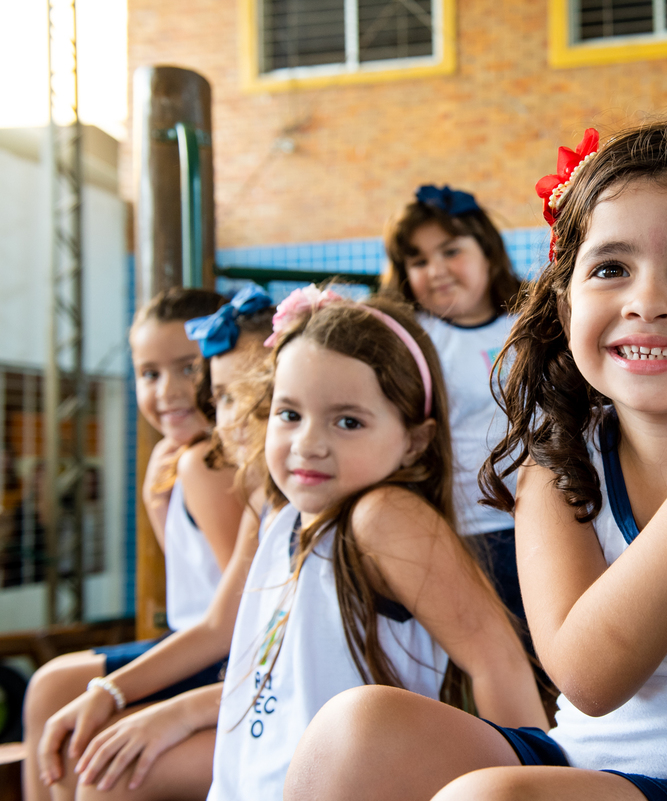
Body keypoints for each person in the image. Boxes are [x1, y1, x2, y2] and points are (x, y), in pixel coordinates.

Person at [283, 117, 667, 801]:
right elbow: (589, 675)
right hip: (586, 762)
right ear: (568, 303)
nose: (648, 301)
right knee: (355, 729)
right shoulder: (564, 469)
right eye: (611, 267)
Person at [82, 286, 545, 801]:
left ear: (414, 439)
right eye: (289, 414)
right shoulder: (286, 521)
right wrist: (171, 712)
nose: (309, 443)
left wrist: (532, 786)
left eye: (348, 421)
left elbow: (497, 661)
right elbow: (280, 685)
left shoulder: (381, 517)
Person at [32, 285, 277, 801]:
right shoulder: (182, 460)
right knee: (52, 687)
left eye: (188, 368)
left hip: (225, 656)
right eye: (149, 374)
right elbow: (210, 579)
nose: (167, 390)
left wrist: (117, 690)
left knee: (75, 720)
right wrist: (157, 505)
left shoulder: (205, 463)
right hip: (213, 644)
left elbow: (231, 613)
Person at [382, 185, 527, 622]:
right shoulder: (412, 338)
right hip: (467, 529)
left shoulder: (534, 319)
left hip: (550, 517)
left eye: (450, 251)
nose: (437, 269)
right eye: (419, 260)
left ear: (486, 250)